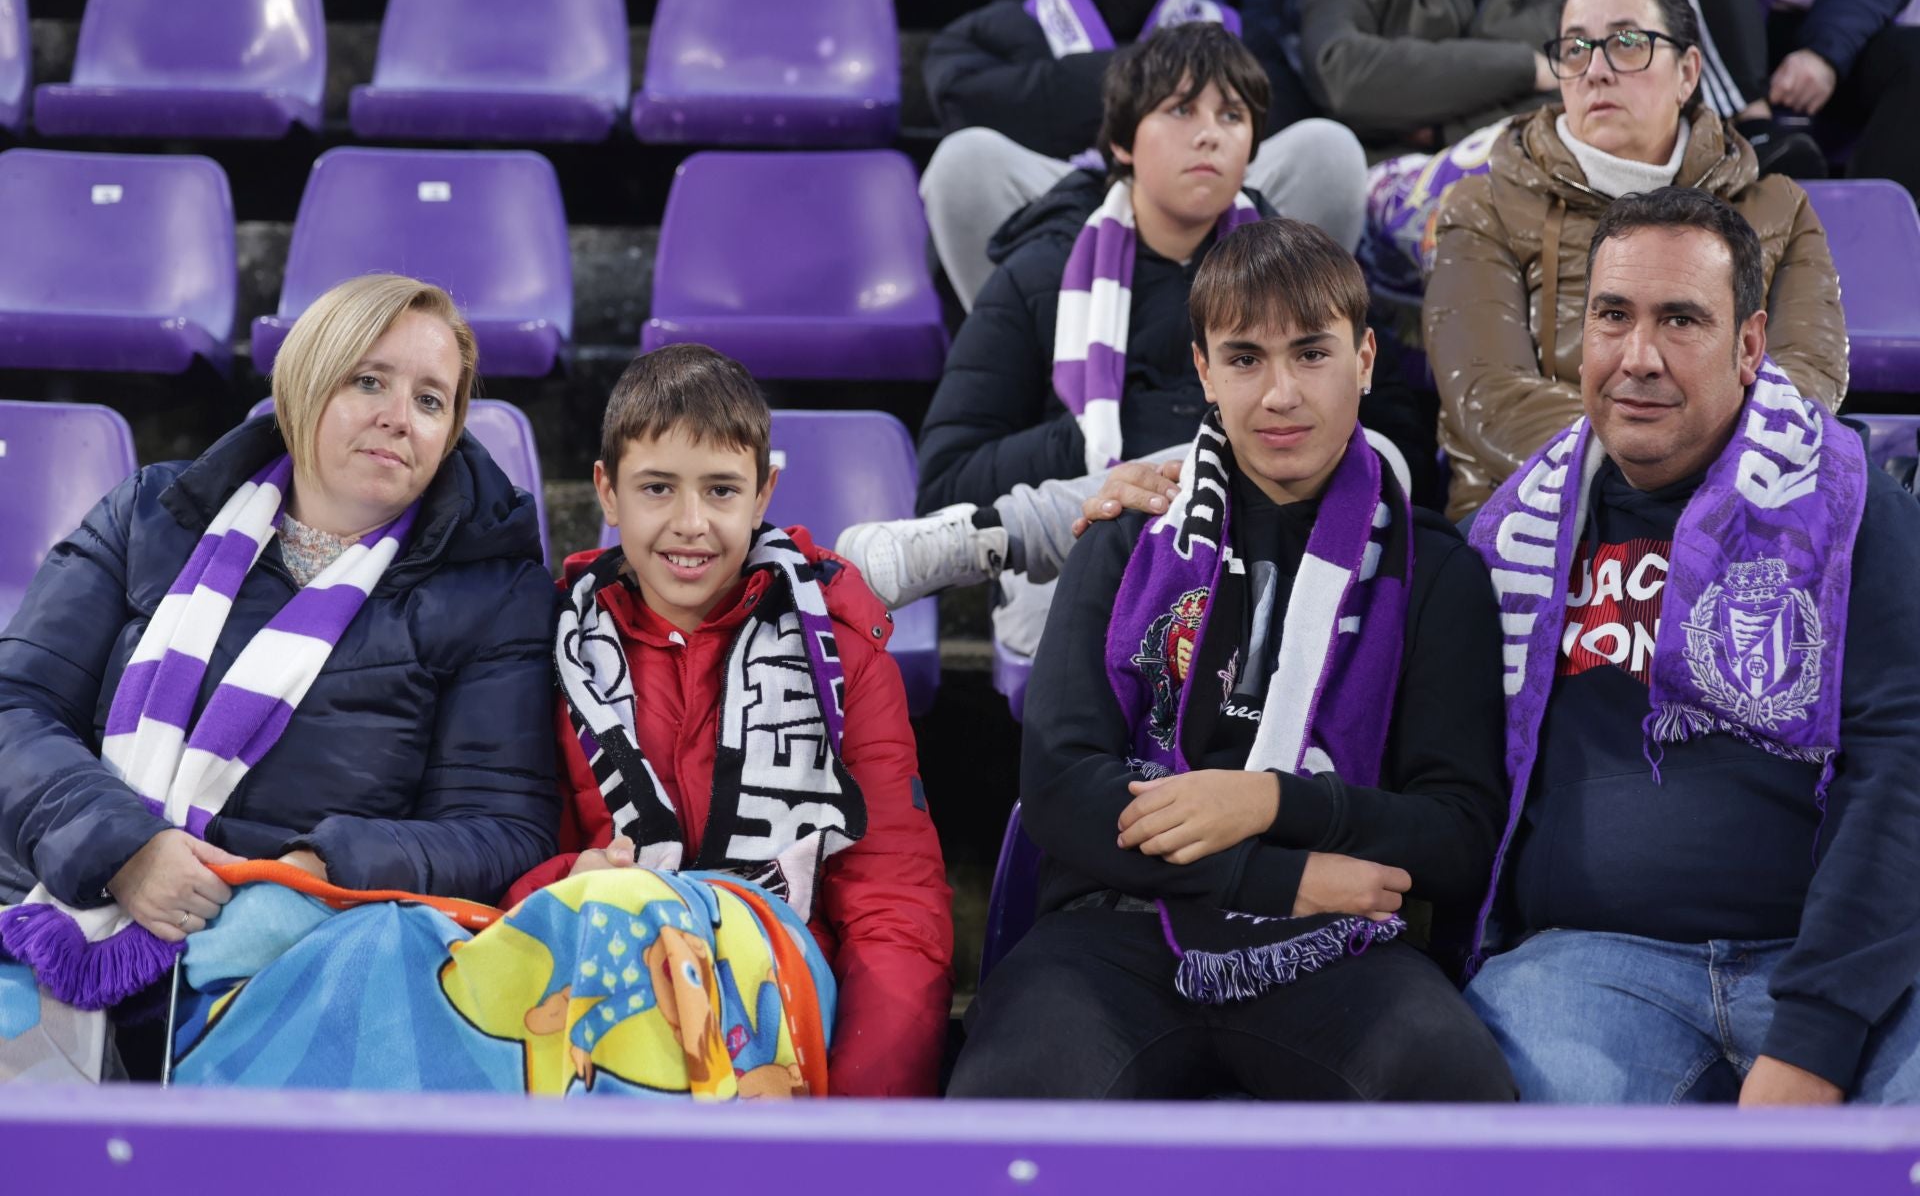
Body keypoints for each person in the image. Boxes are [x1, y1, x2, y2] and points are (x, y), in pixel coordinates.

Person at [946, 217, 1515, 1101]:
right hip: (1117, 929)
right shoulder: (1126, 535)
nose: (1280, 392)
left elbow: (1457, 833)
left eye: (1312, 354)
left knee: (1452, 1084)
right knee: (1009, 1099)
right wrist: (1278, 873)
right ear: (1205, 372)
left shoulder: (1434, 570)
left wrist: (1269, 800)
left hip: (1339, 945)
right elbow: (1061, 787)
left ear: (1365, 360)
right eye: (1246, 358)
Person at [0, 274, 558, 1080]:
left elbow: (502, 827)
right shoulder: (151, 515)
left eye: (432, 401)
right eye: (369, 380)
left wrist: (316, 872)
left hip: (300, 945)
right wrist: (128, 850)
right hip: (59, 899)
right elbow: (16, 706)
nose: (399, 418)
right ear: (302, 386)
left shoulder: (495, 590)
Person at [1464, 187, 1920, 1105]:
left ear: (1750, 345)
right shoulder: (1506, 538)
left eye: (1680, 320)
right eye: (1613, 317)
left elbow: (1904, 765)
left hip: (1847, 966)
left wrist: (1817, 1036)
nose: (1639, 357)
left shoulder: (1855, 506)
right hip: (1586, 974)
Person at [841, 24, 1428, 652]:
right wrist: (1105, 434)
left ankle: (1015, 531)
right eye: (1180, 110)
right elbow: (948, 484)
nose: (1209, 133)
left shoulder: (1297, 271)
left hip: (1274, 551)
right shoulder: (1041, 272)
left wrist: (1166, 424)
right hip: (1087, 558)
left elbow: (1395, 427)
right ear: (1122, 141)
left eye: (1232, 115)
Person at [504, 344, 954, 1098]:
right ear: (606, 493)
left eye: (720, 490)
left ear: (763, 492)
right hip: (599, 994)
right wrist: (565, 883)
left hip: (780, 1005)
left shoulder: (836, 650)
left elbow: (894, 903)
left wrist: (856, 1127)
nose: (691, 524)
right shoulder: (547, 648)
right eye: (657, 489)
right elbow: (500, 868)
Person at [1425, 0, 1848, 521]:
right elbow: (1488, 394)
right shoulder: (1485, 207)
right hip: (1526, 515)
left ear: (1688, 72)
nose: (1595, 70)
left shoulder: (1779, 209)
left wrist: (1690, 483)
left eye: (1627, 42)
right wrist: (1661, 465)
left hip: (1733, 515)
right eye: (1575, 49)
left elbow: (1804, 380)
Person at [923, 0, 1366, 309]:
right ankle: (1025, 349)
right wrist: (1150, 80)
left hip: (1210, 216)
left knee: (1327, 148)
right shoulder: (1005, 29)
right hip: (1061, 216)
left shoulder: (1231, 29)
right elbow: (961, 99)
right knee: (963, 160)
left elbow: (1276, 118)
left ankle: (1269, 337)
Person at [1619, 0, 1920, 193]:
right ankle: (1755, 133)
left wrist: (1823, 54)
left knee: (1913, 57)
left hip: (1813, 28)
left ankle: (1873, 220)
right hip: (1688, 39)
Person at [1295, 0, 1603, 150]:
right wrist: (1526, 67)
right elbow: (1344, 78)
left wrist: (1445, 133)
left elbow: (1597, 95)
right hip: (1383, 204)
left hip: (1541, 188)